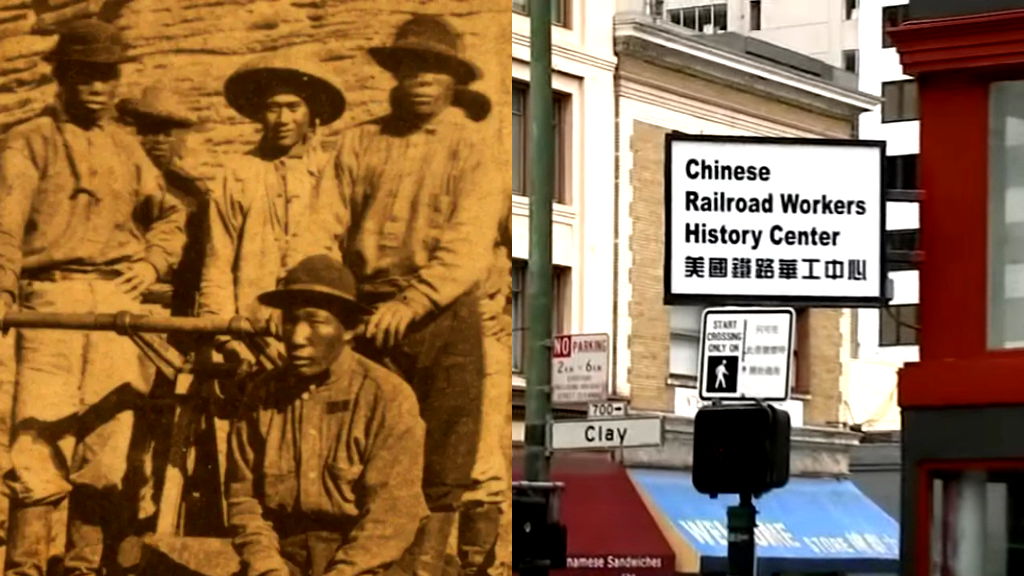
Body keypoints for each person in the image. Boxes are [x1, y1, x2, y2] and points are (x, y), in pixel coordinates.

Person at [301, 14, 505, 576]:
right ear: (396, 74)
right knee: (359, 439)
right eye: (411, 67)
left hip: (441, 313)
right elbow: (322, 227)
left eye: (434, 70)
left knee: (443, 453)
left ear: (452, 81)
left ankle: (423, 564)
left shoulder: (472, 147)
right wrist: (328, 301)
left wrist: (412, 304)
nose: (421, 80)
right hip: (365, 310)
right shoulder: (361, 142)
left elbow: (465, 246)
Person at [0, 19, 186, 576]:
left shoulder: (126, 147)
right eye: (84, 76)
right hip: (50, 305)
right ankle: (27, 567)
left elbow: (172, 215)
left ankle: (84, 568)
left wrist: (152, 260)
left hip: (114, 306)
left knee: (106, 449)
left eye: (106, 77)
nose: (96, 88)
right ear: (62, 77)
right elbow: (4, 225)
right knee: (38, 441)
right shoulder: (29, 141)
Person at [226, 254, 428, 576]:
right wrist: (266, 567)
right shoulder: (262, 395)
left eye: (315, 322)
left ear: (348, 329)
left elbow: (391, 515)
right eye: (290, 320)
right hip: (284, 557)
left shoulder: (386, 397)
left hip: (368, 562)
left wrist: (344, 572)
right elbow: (244, 500)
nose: (296, 337)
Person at [199, 48, 346, 371]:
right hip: (251, 332)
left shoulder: (332, 171)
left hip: (317, 333)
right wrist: (224, 334)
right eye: (272, 109)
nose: (283, 120)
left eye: (293, 107)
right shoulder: (237, 173)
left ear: (311, 112)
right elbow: (218, 260)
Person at [117, 84, 211, 325]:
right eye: (149, 132)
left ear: (181, 140)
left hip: (175, 303)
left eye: (167, 133)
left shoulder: (193, 191)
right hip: (123, 292)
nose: (158, 141)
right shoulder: (115, 183)